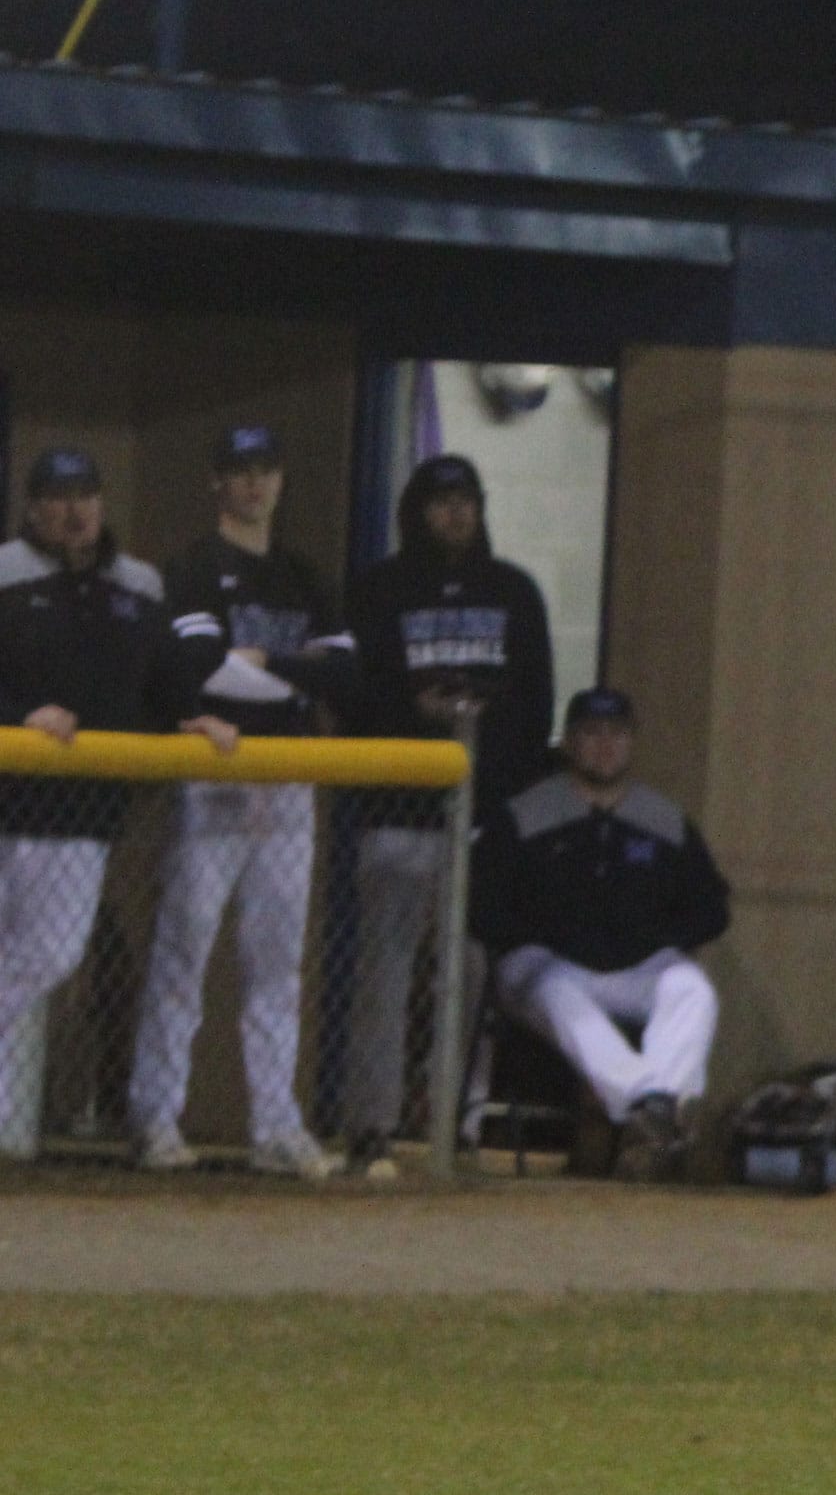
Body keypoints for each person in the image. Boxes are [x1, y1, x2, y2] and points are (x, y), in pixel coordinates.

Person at [131, 425, 358, 1180]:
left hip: (287, 783)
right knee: (183, 953)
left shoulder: (303, 575)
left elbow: (349, 677)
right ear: (216, 483)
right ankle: (156, 1117)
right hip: (216, 773)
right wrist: (298, 674)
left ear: (280, 480)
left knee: (277, 965)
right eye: (239, 472)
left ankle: (275, 1125)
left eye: (264, 470)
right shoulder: (194, 569)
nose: (253, 484)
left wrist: (265, 662)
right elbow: (200, 666)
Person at [0, 451, 234, 1138]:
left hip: (77, 812)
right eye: (57, 496)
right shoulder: (5, 571)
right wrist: (17, 718)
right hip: (8, 787)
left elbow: (159, 676)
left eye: (85, 495)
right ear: (33, 506)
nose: (73, 510)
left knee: (50, 954)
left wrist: (188, 714)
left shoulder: (138, 585)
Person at [339, 453, 554, 1169]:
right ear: (416, 511)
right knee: (385, 978)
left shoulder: (514, 592)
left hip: (478, 821)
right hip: (398, 814)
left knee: (466, 981)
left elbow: (535, 704)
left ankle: (455, 1122)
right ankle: (372, 1124)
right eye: (442, 501)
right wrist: (415, 711)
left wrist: (500, 785)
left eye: (467, 500)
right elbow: (356, 695)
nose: (456, 513)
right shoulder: (379, 591)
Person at [469, 687, 730, 1177]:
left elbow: (711, 908)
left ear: (632, 742)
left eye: (616, 733)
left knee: (691, 988)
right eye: (591, 733)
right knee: (559, 992)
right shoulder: (525, 814)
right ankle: (649, 1106)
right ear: (568, 742)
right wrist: (543, 931)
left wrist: (654, 935)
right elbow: (480, 906)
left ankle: (656, 1116)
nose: (604, 745)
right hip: (546, 964)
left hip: (636, 965)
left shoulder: (663, 819)